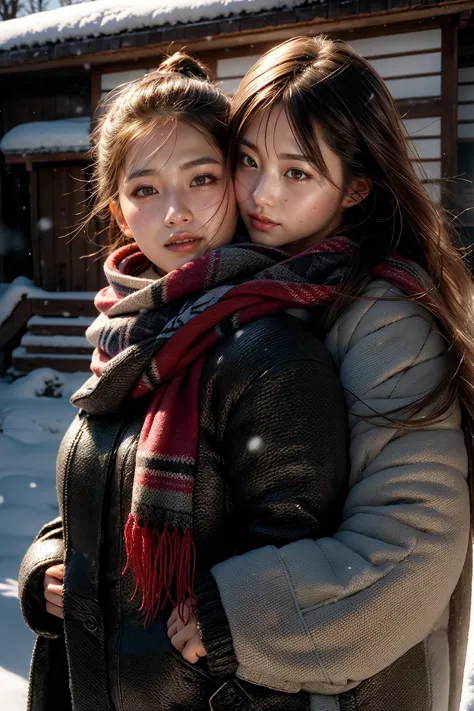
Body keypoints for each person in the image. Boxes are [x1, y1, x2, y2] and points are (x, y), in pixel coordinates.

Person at [18, 53, 349, 711]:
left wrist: (228, 632)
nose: (176, 212)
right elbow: (96, 494)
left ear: (238, 182)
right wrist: (46, 566)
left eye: (202, 178)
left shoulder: (271, 350)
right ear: (119, 210)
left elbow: (299, 562)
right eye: (145, 190)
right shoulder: (123, 339)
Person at [169, 36, 473, 711]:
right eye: (248, 160)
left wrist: (240, 614)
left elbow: (414, 539)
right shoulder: (232, 294)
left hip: (358, 689)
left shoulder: (383, 315)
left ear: (357, 186)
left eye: (297, 172)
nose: (260, 193)